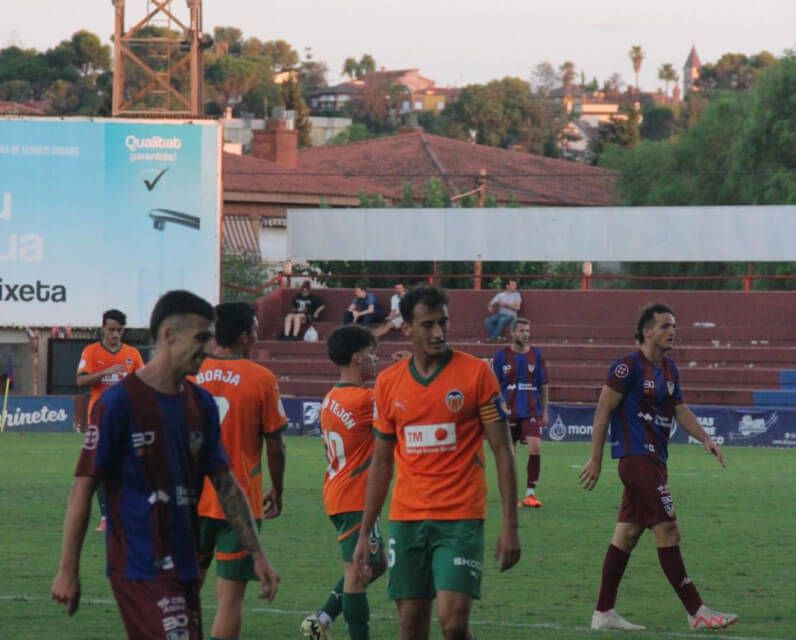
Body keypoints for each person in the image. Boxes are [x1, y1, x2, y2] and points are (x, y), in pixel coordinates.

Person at [51, 290, 280, 639]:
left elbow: (226, 484)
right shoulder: (119, 404)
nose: (208, 347)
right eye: (201, 338)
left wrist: (258, 553)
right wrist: (68, 570)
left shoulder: (199, 403)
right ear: (169, 336)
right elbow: (84, 487)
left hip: (185, 562)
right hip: (139, 565)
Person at [352, 284, 521, 640]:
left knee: (453, 621)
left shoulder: (476, 375)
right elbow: (381, 463)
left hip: (461, 518)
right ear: (407, 328)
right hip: (407, 520)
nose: (438, 332)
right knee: (411, 625)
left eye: (442, 323)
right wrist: (366, 532)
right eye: (427, 325)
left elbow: (503, 451)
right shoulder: (387, 384)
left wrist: (511, 525)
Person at [579, 302, 738, 632]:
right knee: (668, 529)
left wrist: (706, 439)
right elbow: (602, 410)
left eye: (674, 326)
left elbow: (681, 410)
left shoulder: (669, 370)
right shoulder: (627, 367)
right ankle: (697, 610)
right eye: (665, 326)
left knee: (627, 534)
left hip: (655, 460)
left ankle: (603, 612)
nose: (672, 331)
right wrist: (595, 458)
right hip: (636, 459)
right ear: (647, 330)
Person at [195, 302, 287, 640]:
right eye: (256, 330)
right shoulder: (261, 378)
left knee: (185, 591)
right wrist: (277, 489)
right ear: (245, 336)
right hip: (240, 500)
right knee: (230, 597)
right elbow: (276, 445)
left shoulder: (191, 371)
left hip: (190, 497)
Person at [301, 325, 387, 640]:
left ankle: (322, 617)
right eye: (371, 353)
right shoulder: (365, 400)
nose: (375, 359)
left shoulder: (331, 397)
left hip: (337, 492)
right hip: (356, 496)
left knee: (375, 564)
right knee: (359, 572)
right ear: (356, 357)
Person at [76, 308, 145, 532]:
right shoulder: (91, 351)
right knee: (99, 468)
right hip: (100, 418)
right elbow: (81, 381)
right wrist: (107, 372)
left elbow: (143, 381)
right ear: (103, 328)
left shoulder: (132, 354)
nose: (115, 334)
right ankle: (107, 516)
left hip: (127, 418)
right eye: (111, 330)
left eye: (119, 330)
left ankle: (127, 512)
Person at [491, 318, 549, 508]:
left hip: (531, 409)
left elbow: (543, 385)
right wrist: (500, 406)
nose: (526, 334)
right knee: (510, 454)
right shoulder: (501, 356)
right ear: (513, 333)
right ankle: (511, 495)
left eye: (528, 330)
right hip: (509, 412)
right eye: (522, 331)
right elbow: (494, 385)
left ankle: (530, 494)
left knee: (535, 447)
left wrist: (545, 411)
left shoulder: (536, 355)